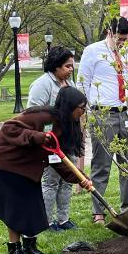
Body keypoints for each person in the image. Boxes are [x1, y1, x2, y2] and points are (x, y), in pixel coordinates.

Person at [0, 87, 92, 254]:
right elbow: (9, 128)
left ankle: (30, 248)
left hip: (26, 165)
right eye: (81, 108)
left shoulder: (65, 124)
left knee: (33, 206)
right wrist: (36, 136)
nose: (83, 112)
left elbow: (57, 158)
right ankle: (14, 253)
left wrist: (80, 177)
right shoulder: (43, 116)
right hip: (7, 160)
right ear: (70, 106)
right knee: (16, 208)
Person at [77, 16, 128, 225]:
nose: (122, 43)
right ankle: (99, 211)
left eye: (125, 39)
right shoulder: (92, 51)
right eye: (119, 39)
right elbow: (82, 84)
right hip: (104, 113)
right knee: (102, 164)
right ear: (109, 34)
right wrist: (85, 114)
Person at [27, 46, 79, 232]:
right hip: (51, 143)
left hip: (69, 141)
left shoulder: (70, 84)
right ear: (55, 66)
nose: (71, 69)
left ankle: (63, 220)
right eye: (67, 66)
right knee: (51, 181)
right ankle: (47, 221)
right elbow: (32, 114)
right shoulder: (42, 84)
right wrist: (46, 136)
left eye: (72, 66)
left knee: (67, 180)